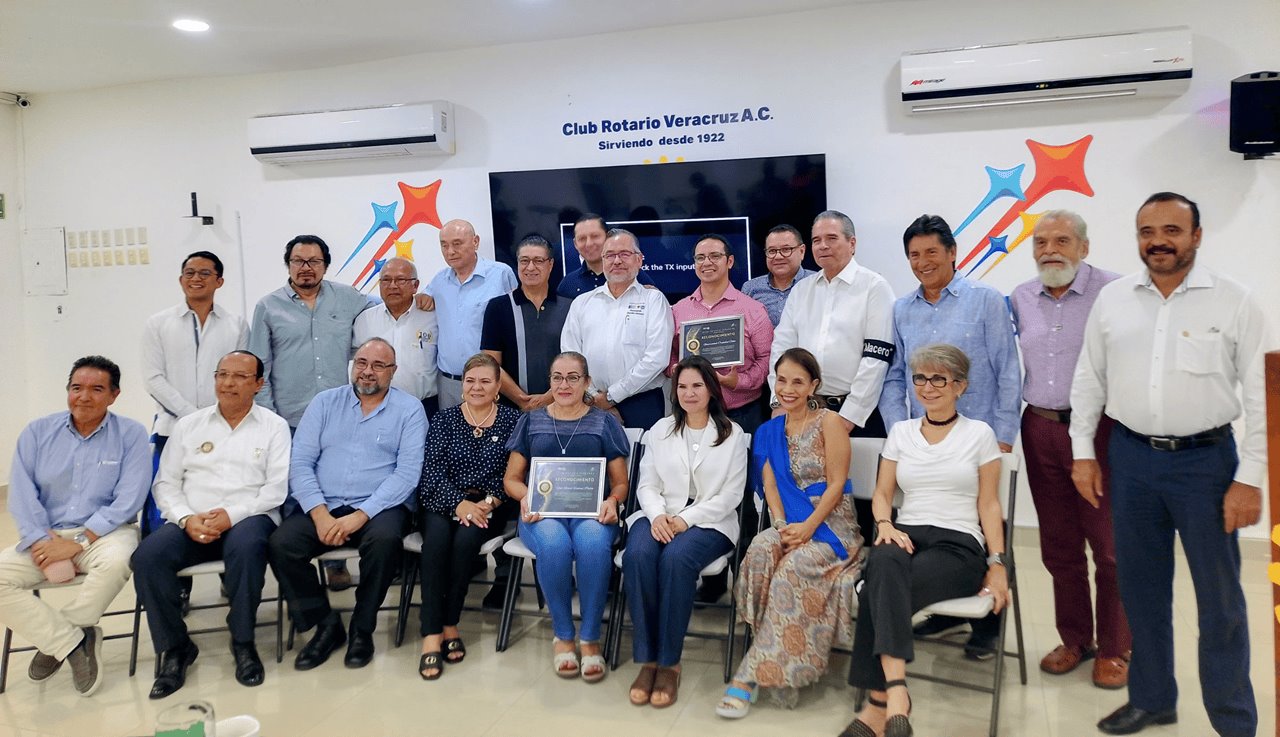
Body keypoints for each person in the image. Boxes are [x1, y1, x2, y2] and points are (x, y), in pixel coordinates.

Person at [1071, 192, 1268, 737]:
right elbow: (1089, 380)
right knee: (1140, 589)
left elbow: (1258, 396)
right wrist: (1083, 452)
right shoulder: (1112, 300)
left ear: (1197, 236)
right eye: (1147, 231)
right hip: (1130, 460)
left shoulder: (1233, 301)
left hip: (1206, 464)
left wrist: (1249, 479)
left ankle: (1233, 720)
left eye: (1172, 230)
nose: (1158, 241)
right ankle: (1153, 699)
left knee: (1220, 600)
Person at [841, 344, 1008, 737]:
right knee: (883, 562)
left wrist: (998, 563)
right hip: (906, 533)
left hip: (958, 544)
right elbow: (883, 494)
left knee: (877, 589)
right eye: (920, 378)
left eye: (939, 379)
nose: (928, 387)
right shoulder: (900, 432)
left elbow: (988, 504)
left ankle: (879, 702)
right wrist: (884, 524)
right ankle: (897, 694)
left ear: (960, 386)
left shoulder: (980, 434)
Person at [881, 214, 1020, 659]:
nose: (922, 262)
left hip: (978, 438)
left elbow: (1008, 369)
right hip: (924, 437)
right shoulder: (902, 309)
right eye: (914, 255)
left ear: (953, 252)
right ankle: (943, 611)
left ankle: (988, 623)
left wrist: (1002, 436)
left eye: (931, 253)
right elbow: (895, 375)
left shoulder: (985, 301)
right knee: (935, 525)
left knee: (986, 521)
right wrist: (897, 435)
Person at [1009, 210, 1129, 689]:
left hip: (1102, 433)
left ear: (1084, 246)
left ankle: (1117, 647)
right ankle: (1075, 639)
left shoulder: (1115, 292)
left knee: (1112, 548)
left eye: (1061, 240)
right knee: (1059, 546)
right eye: (1040, 242)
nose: (1049, 250)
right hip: (1040, 427)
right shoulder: (1021, 297)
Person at [132, 350, 290, 698]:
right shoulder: (190, 425)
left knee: (248, 547)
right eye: (222, 375)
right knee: (147, 557)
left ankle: (243, 641)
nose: (228, 383)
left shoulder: (274, 427)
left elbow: (276, 490)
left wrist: (231, 515)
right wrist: (187, 518)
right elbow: (166, 484)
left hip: (250, 516)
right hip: (193, 519)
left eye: (239, 377)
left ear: (258, 385)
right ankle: (176, 648)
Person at [267, 338, 427, 671]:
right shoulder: (325, 403)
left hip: (380, 508)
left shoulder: (409, 410)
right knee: (281, 545)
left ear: (393, 372)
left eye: (379, 365)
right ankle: (325, 625)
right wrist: (319, 513)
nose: (368, 371)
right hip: (322, 504)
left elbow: (408, 474)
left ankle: (362, 629)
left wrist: (362, 514)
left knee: (384, 544)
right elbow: (300, 463)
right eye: (362, 362)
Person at [718, 348, 861, 717]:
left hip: (831, 527)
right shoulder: (767, 431)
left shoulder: (830, 422)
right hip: (791, 523)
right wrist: (781, 527)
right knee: (762, 551)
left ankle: (752, 675)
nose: (788, 389)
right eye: (782, 380)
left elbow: (837, 485)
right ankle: (780, 666)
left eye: (798, 381)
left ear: (814, 385)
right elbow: (770, 489)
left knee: (792, 571)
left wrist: (809, 527)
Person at [0, 356, 150, 697]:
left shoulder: (130, 434)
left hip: (106, 534)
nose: (84, 397)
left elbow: (129, 498)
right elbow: (21, 495)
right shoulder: (38, 432)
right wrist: (43, 540)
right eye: (76, 388)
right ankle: (72, 641)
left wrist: (80, 541)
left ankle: (64, 633)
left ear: (114, 395)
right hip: (46, 535)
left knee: (118, 562)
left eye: (96, 389)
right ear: (67, 391)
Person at [249, 234, 373, 592]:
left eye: (314, 262)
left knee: (334, 487)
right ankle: (298, 570)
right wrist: (269, 416)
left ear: (325, 265)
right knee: (295, 495)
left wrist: (420, 300)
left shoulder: (347, 298)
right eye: (298, 261)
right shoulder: (268, 307)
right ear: (288, 265)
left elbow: (387, 306)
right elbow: (260, 365)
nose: (306, 268)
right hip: (289, 418)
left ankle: (335, 561)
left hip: (339, 418)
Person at [623, 356, 747, 709]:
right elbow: (646, 484)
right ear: (674, 392)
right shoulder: (660, 429)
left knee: (676, 559)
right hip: (659, 513)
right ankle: (648, 660)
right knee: (638, 555)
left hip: (709, 521)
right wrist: (660, 515)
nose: (689, 393)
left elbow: (731, 496)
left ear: (711, 388)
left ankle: (670, 663)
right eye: (682, 386)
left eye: (697, 385)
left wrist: (685, 520)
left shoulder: (732, 434)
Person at [503, 351, 631, 682]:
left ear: (586, 382)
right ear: (550, 382)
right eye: (557, 377)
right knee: (555, 544)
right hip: (541, 512)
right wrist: (525, 496)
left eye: (573, 377)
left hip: (593, 512)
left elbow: (620, 482)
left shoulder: (604, 422)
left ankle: (589, 638)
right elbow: (512, 479)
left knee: (590, 543)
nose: (564, 384)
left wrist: (613, 501)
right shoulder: (531, 420)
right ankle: (563, 634)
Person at [415, 353, 521, 680]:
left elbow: (511, 473)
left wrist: (486, 504)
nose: (477, 387)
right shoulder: (444, 420)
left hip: (487, 506)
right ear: (462, 385)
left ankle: (450, 623)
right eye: (470, 380)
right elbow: (431, 473)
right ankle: (432, 634)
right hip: (439, 502)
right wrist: (459, 504)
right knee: (436, 544)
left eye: (485, 381)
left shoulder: (511, 420)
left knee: (464, 545)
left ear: (498, 386)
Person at [140, 251, 249, 533]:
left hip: (225, 429)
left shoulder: (236, 325)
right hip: (172, 427)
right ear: (180, 279)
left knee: (223, 496)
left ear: (219, 281)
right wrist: (195, 417)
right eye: (189, 273)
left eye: (204, 273)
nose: (195, 279)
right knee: (167, 502)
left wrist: (214, 417)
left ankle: (229, 566)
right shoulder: (159, 323)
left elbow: (241, 376)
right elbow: (153, 378)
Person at [561, 228, 674, 430]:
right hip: (590, 402)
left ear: (639, 260)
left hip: (642, 402)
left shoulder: (653, 300)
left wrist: (613, 396)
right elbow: (570, 355)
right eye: (610, 255)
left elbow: (657, 356)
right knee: (596, 460)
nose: (617, 261)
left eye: (624, 254)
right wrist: (595, 396)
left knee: (642, 459)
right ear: (602, 261)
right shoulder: (582, 303)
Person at [669, 234, 774, 434]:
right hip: (692, 416)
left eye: (715, 256)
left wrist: (738, 382)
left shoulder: (753, 309)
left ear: (730, 261)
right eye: (700, 258)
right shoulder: (678, 310)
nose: (706, 262)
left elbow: (767, 359)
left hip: (742, 413)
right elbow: (671, 355)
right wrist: (675, 370)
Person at [425, 219, 518, 409]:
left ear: (475, 241)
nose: (450, 251)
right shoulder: (438, 282)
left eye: (457, 244)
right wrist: (421, 297)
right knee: (452, 438)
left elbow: (517, 322)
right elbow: (422, 300)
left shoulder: (501, 274)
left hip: (488, 382)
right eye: (444, 245)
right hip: (449, 384)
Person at [481, 235, 571, 412]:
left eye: (538, 260)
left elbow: (578, 360)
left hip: (563, 406)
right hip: (512, 409)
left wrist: (549, 397)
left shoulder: (570, 306)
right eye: (524, 261)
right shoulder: (498, 307)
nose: (530, 267)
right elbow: (490, 362)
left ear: (550, 265)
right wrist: (523, 401)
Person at [353, 256, 440, 418]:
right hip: (376, 405)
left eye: (401, 280)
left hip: (425, 406)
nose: (392, 286)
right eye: (386, 280)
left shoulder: (433, 316)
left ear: (416, 285)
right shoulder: (364, 320)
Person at [556, 213, 654, 298]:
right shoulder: (567, 285)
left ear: (608, 237)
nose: (589, 243)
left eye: (595, 236)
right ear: (575, 244)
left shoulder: (635, 277)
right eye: (582, 239)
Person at [741, 224, 814, 328]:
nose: (778, 257)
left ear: (802, 251)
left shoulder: (816, 282)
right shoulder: (750, 288)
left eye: (786, 249)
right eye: (772, 251)